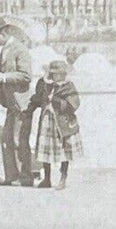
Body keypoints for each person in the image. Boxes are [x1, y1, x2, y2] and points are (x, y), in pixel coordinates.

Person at [0, 15, 34, 186]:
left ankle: (25, 177)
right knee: (7, 140)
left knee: (18, 140)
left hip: (22, 105)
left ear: (4, 33)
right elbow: (3, 82)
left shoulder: (20, 49)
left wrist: (4, 77)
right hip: (11, 105)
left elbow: (26, 76)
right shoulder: (3, 51)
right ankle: (11, 176)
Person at [29, 56, 82, 189]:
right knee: (45, 150)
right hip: (47, 120)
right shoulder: (44, 84)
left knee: (64, 150)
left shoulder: (68, 86)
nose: (57, 76)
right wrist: (29, 108)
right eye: (54, 73)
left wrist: (57, 101)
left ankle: (63, 178)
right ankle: (47, 179)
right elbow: (37, 97)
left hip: (62, 123)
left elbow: (74, 103)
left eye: (60, 73)